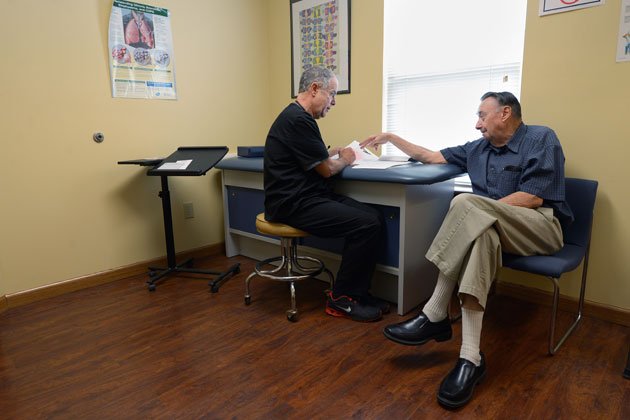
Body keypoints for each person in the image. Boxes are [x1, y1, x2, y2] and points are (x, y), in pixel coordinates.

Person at [360, 91, 573, 408]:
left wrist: (477, 213)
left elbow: (533, 198)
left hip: (538, 227)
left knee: (465, 204)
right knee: (481, 237)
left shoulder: (541, 138)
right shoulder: (478, 149)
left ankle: (434, 311)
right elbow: (431, 156)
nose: (477, 124)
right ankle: (470, 357)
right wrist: (391, 137)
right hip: (493, 229)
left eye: (482, 115)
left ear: (504, 113)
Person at [264, 66, 388, 322]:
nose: (333, 102)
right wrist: (345, 158)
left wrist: (333, 153)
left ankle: (359, 294)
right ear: (314, 89)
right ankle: (342, 299)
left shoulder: (296, 117)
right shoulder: (299, 119)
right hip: (293, 203)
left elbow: (312, 159)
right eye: (332, 94)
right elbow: (327, 171)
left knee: (373, 218)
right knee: (365, 225)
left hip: (305, 196)